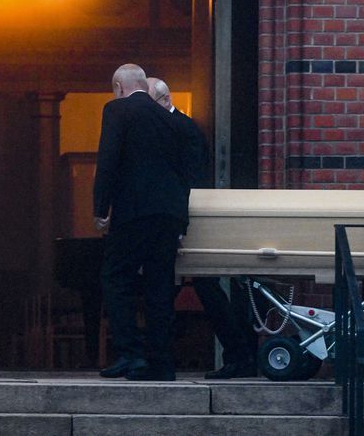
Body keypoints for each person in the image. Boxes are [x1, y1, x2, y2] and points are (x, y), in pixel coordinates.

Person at [147, 77, 258, 379]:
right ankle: (240, 354)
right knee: (190, 290)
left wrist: (181, 223)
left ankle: (239, 355)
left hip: (189, 220)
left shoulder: (182, 130)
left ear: (164, 100)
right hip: (184, 218)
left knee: (203, 290)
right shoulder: (180, 127)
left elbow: (190, 180)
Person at [93, 64, 189, 381]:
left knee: (115, 278)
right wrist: (182, 220)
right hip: (169, 214)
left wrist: (100, 207)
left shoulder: (118, 110)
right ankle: (162, 363)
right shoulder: (170, 118)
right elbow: (182, 171)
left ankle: (129, 354)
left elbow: (108, 159)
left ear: (120, 86)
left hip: (134, 212)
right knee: (159, 287)